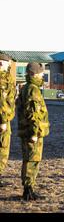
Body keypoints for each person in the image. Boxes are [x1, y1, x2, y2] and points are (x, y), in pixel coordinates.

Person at [16, 63, 50, 201]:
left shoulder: (27, 88)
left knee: (29, 159)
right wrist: (34, 133)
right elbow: (33, 114)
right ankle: (28, 190)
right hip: (32, 132)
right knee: (32, 160)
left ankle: (28, 188)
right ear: (34, 74)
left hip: (28, 131)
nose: (43, 76)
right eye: (41, 73)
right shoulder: (32, 90)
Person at [0, 54, 16, 187]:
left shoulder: (6, 77)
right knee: (3, 147)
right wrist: (3, 121)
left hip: (5, 117)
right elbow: (1, 102)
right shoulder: (2, 79)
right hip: (2, 119)